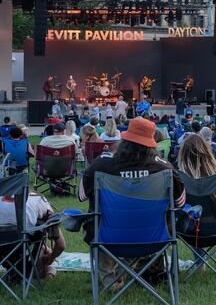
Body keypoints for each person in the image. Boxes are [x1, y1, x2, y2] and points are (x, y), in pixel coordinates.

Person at [79, 117, 185, 289]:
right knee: (162, 219)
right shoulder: (165, 169)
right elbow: (180, 202)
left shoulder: (101, 166)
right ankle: (124, 272)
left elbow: (82, 196)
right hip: (153, 238)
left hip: (108, 236)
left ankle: (110, 279)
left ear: (125, 140)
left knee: (98, 220)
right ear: (151, 144)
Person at [0, 190, 66, 280]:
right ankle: (25, 271)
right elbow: (61, 245)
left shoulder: (0, 197)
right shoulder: (41, 200)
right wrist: (51, 257)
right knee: (37, 230)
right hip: (16, 241)